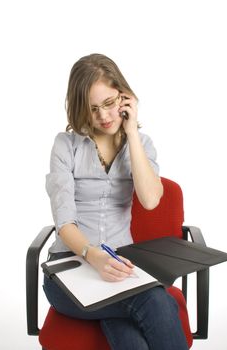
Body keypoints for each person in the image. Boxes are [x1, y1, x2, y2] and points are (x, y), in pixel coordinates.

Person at [43, 53, 189, 350]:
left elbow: (150, 199)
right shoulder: (65, 146)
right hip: (68, 270)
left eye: (109, 103)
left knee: (132, 341)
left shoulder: (142, 144)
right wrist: (94, 256)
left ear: (123, 96)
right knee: (158, 303)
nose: (104, 117)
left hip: (122, 268)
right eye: (93, 109)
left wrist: (132, 132)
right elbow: (64, 223)